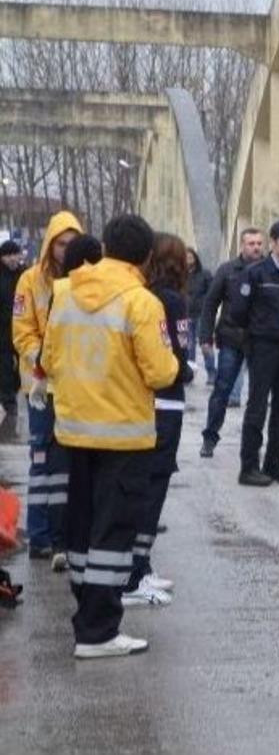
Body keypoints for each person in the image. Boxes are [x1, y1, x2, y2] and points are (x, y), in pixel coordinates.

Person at [42, 214, 179, 659]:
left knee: (81, 529)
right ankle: (99, 633)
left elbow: (48, 357)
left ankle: (87, 616)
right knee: (114, 533)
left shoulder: (64, 294)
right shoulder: (142, 303)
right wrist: (177, 366)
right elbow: (160, 372)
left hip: (74, 431)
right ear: (145, 256)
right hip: (123, 436)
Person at [121, 233, 194, 609]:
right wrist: (185, 370)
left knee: (148, 485)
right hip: (164, 403)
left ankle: (140, 564)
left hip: (154, 402)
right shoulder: (169, 300)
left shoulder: (150, 295)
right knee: (153, 487)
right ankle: (133, 574)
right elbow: (171, 353)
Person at [13, 211, 82, 567]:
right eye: (60, 244)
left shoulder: (85, 279)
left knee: (71, 461)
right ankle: (39, 533)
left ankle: (65, 533)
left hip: (74, 383)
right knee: (41, 458)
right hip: (41, 383)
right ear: (50, 244)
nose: (65, 251)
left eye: (71, 244)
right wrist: (42, 358)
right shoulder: (30, 280)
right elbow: (22, 328)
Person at [231, 220, 279, 486]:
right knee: (258, 406)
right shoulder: (256, 273)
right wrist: (256, 330)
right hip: (262, 344)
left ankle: (274, 463)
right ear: (272, 243)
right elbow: (238, 311)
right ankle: (248, 466)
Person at [198, 227, 264, 458]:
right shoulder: (227, 270)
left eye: (259, 243)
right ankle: (210, 437)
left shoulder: (268, 271)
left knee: (259, 394)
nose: (256, 247)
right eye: (251, 243)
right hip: (231, 339)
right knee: (222, 389)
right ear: (242, 245)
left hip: (259, 341)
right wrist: (205, 336)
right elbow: (210, 303)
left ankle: (253, 444)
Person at [0, 240, 25, 420]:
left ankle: (15, 390)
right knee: (5, 367)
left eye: (14, 254)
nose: (11, 259)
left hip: (21, 327)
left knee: (22, 367)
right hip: (2, 329)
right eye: (7, 255)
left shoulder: (24, 275)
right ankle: (9, 402)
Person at [185, 248, 215, 385]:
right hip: (186, 315)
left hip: (201, 314)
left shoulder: (204, 274)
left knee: (205, 344)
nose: (188, 259)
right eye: (186, 257)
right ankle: (189, 373)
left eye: (190, 257)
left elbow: (212, 291)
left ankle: (211, 373)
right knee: (188, 346)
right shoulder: (181, 275)